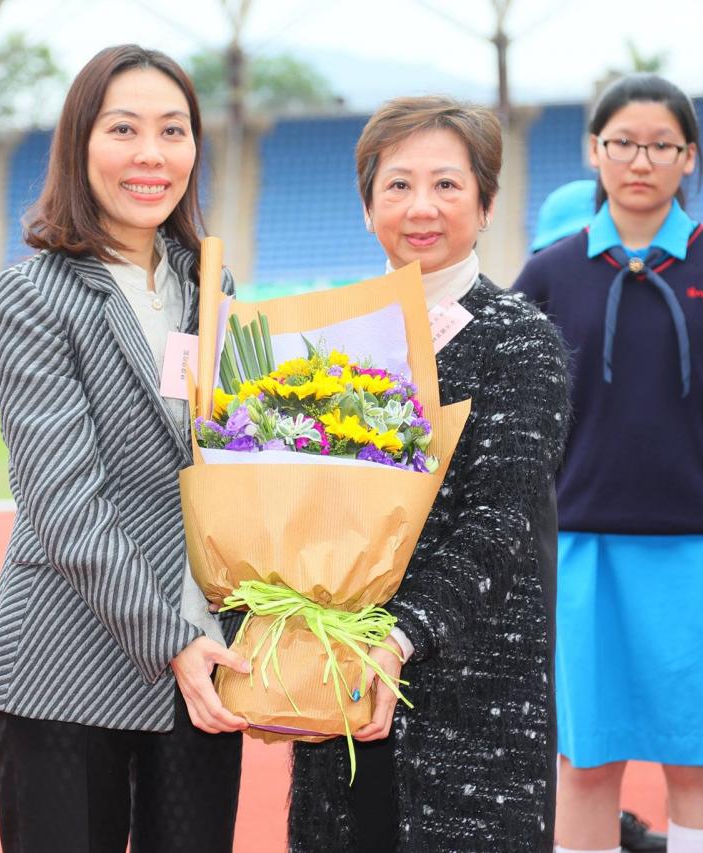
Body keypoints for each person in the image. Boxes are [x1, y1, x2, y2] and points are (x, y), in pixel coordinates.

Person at [514, 73, 703, 853]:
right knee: (586, 764)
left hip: (700, 548)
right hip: (584, 551)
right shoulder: (550, 273)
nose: (641, 161)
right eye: (623, 143)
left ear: (689, 157)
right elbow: (510, 400)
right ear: (594, 150)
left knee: (696, 762)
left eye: (662, 145)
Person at [0, 44, 247, 853]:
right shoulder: (30, 296)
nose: (150, 155)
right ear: (79, 144)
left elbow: (233, 465)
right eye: (123, 129)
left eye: (173, 130)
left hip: (201, 661)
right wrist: (170, 640)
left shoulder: (210, 285)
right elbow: (64, 504)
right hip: (66, 664)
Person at [288, 95, 571, 852]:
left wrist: (400, 636)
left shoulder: (519, 341)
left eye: (447, 184)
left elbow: (499, 522)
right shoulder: (328, 344)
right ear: (367, 207)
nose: (422, 207)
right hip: (341, 687)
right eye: (398, 185)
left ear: (485, 204)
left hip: (470, 692)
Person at [531, 181, 672, 853]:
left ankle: (593, 820)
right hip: (547, 535)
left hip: (594, 528)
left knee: (586, 712)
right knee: (566, 712)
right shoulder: (533, 311)